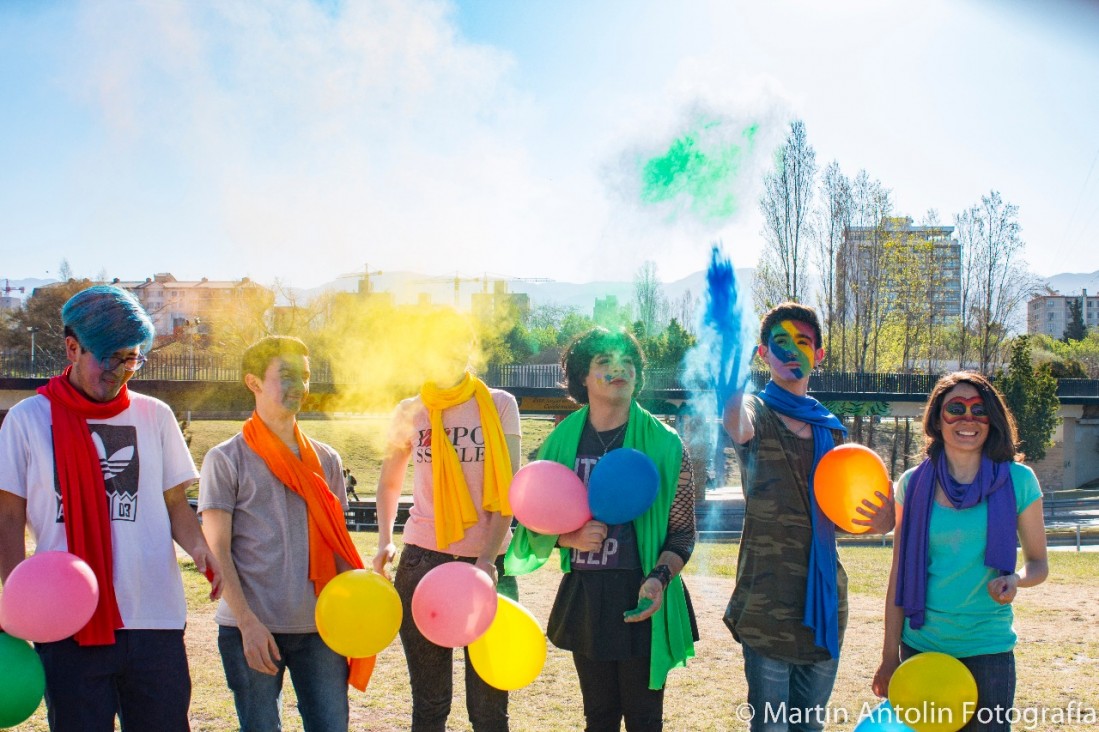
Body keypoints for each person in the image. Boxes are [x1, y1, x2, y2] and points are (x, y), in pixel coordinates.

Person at [0, 285, 222, 731]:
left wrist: (200, 547)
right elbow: (7, 518)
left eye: (133, 358)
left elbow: (175, 504)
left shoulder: (155, 415)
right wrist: (13, 600)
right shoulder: (27, 420)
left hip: (154, 617)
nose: (124, 371)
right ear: (72, 347)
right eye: (112, 358)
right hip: (67, 622)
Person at [506, 327, 697, 732]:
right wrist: (566, 538)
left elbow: (682, 533)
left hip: (642, 593)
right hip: (588, 598)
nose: (618, 369)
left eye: (627, 361)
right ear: (583, 377)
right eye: (604, 362)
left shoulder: (666, 444)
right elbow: (528, 514)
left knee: (645, 720)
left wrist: (659, 580)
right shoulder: (560, 442)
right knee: (599, 718)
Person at [722, 302, 894, 732]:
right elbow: (734, 422)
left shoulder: (832, 430)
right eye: (780, 343)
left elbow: (841, 516)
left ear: (819, 354)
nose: (791, 352)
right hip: (767, 603)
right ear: (763, 355)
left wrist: (879, 521)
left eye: (803, 342)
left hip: (823, 605)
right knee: (771, 726)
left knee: (809, 726)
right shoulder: (755, 416)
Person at [199, 336, 371, 732]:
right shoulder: (226, 458)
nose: (301, 385)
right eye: (288, 374)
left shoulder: (326, 459)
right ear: (253, 382)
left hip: (321, 630)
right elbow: (217, 547)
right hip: (254, 629)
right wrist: (246, 622)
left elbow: (339, 543)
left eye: (306, 376)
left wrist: (363, 600)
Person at [872, 372, 1048, 732]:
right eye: (956, 408)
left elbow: (1039, 563)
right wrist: (889, 657)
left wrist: (1015, 579)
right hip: (922, 647)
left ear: (991, 419)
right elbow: (899, 577)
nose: (968, 419)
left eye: (978, 410)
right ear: (938, 419)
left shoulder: (1020, 481)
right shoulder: (912, 484)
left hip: (989, 650)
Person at [373, 310, 520, 732]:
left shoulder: (499, 404)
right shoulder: (409, 411)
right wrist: (385, 539)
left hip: (489, 565)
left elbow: (508, 489)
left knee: (490, 709)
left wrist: (487, 560)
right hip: (423, 561)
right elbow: (388, 484)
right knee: (431, 704)